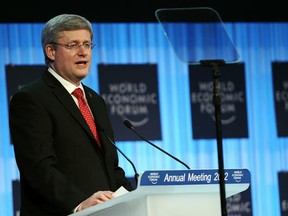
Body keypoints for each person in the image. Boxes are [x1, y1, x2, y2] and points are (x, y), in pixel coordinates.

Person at [9, 14, 133, 216]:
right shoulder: (31, 98)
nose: (83, 52)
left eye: (87, 44)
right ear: (51, 51)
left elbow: (110, 166)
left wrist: (129, 197)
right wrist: (79, 203)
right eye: (73, 45)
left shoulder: (95, 99)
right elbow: (38, 168)